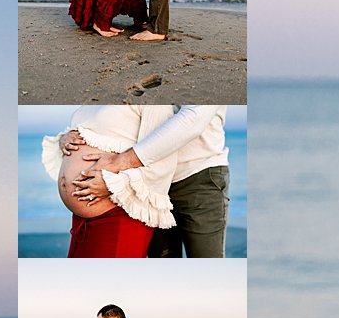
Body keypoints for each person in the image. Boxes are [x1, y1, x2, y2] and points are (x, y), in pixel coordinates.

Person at [61, 105, 230, 257]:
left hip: (196, 174)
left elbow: (193, 117)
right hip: (147, 181)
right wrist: (66, 137)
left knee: (205, 264)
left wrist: (117, 171)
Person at [41, 106, 182, 257]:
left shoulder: (154, 97)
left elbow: (162, 160)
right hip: (83, 219)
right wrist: (65, 138)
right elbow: (100, 132)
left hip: (119, 214)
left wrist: (113, 184)